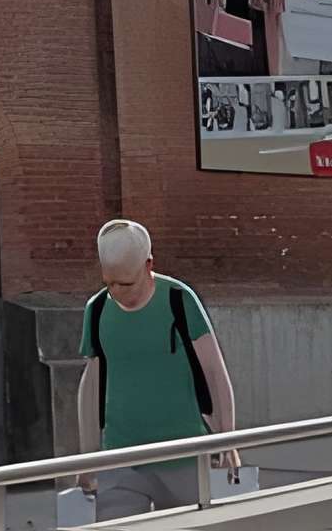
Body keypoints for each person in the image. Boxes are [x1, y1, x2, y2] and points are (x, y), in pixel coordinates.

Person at [74, 218, 239, 517]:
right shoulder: (97, 310)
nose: (117, 291)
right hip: (121, 455)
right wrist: (88, 458)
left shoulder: (179, 300)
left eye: (126, 283)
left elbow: (214, 370)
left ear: (149, 265)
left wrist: (228, 440)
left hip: (184, 454)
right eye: (109, 282)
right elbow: (92, 386)